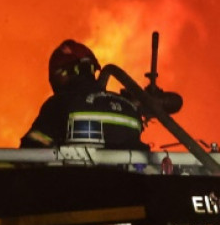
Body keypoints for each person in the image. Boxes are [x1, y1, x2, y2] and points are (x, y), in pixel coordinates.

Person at [20, 39, 148, 150]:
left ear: (62, 73)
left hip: (75, 178)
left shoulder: (59, 104)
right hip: (127, 178)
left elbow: (31, 150)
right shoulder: (129, 108)